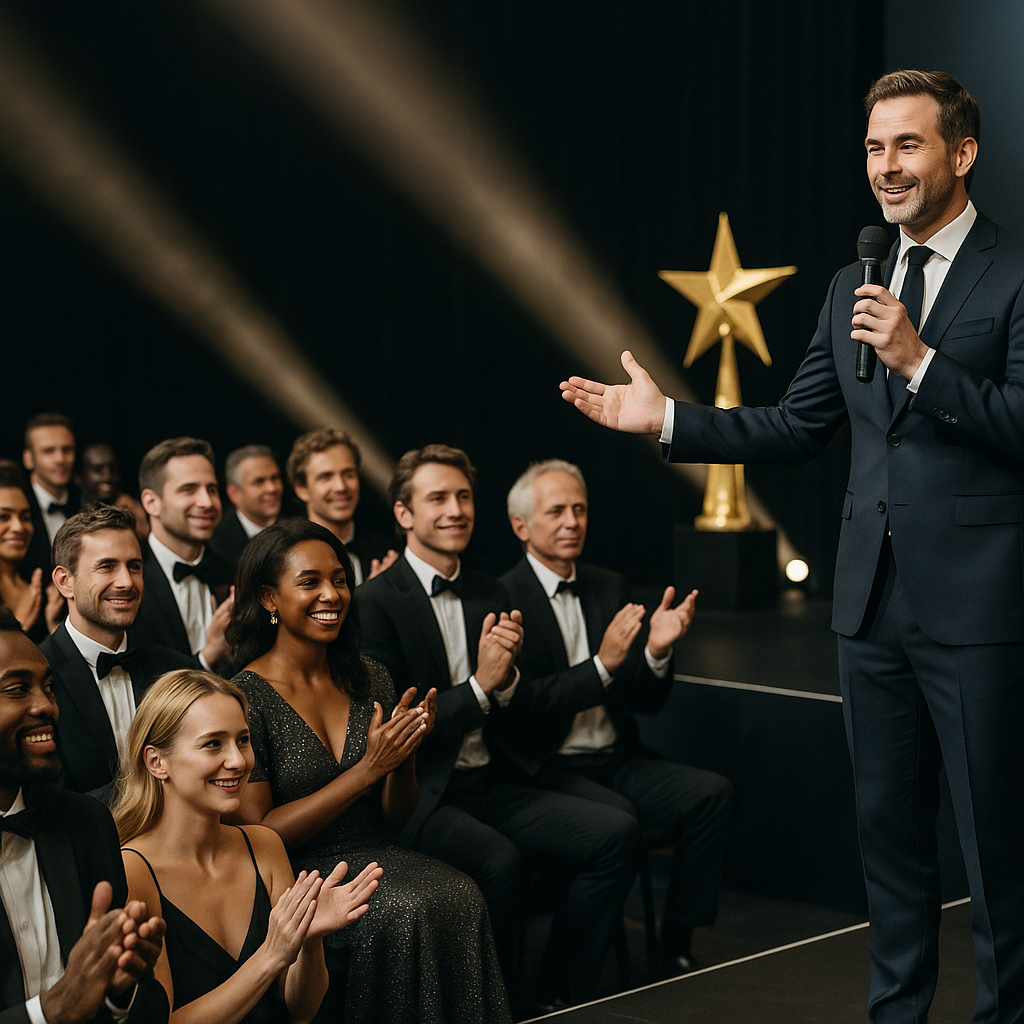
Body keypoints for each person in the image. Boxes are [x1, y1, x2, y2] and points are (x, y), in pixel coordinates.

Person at [561, 69, 1024, 1024]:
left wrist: (920, 362)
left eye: (907, 144)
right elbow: (795, 425)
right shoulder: (854, 280)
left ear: (963, 153)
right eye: (874, 148)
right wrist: (667, 420)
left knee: (998, 850)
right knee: (887, 842)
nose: (885, 166)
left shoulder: (1014, 273)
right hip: (869, 609)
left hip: (981, 610)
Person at [356, 445, 641, 1006]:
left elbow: (522, 700)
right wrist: (483, 686)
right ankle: (495, 1005)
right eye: (438, 498)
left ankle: (558, 987)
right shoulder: (375, 602)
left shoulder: (494, 590)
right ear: (404, 513)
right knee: (500, 861)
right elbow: (397, 729)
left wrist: (505, 685)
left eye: (463, 497)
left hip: (499, 778)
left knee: (616, 833)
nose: (455, 510)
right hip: (424, 793)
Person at [228, 518, 511, 1024]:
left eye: (340, 580)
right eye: (310, 582)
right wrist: (365, 770)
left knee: (463, 893)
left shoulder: (370, 676)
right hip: (298, 873)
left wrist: (402, 758)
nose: (331, 595)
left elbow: (396, 817)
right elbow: (261, 832)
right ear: (269, 598)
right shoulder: (245, 696)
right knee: (408, 909)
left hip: (377, 853)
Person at [501, 459, 734, 975]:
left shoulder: (607, 586)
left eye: (580, 510)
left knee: (711, 794)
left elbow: (643, 700)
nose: (572, 522)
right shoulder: (503, 597)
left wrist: (655, 652)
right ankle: (562, 974)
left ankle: (675, 941)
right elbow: (523, 706)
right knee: (618, 823)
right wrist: (600, 666)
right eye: (556, 511)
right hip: (547, 767)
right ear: (521, 526)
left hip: (614, 757)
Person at [113, 669, 381, 1024]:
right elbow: (163, 1021)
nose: (238, 761)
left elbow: (301, 1012)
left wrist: (308, 940)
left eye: (242, 740)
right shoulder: (132, 870)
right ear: (156, 762)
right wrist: (272, 953)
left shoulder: (263, 845)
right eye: (213, 744)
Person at [0, 606, 169, 1023]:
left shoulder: (86, 823)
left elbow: (151, 1009)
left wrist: (118, 993)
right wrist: (53, 1010)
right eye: (17, 689)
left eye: (49, 687)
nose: (46, 706)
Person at [40, 505, 194, 800]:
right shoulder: (38, 676)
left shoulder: (175, 669)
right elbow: (46, 800)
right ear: (65, 581)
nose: (126, 582)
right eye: (107, 566)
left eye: (134, 566)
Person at [129, 438, 233, 670]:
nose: (207, 502)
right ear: (151, 502)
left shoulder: (234, 572)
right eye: (188, 490)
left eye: (211, 489)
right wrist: (207, 657)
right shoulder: (128, 582)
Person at [285, 429, 397, 585]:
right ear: (302, 489)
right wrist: (371, 593)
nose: (341, 486)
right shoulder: (285, 555)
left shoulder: (388, 552)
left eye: (348, 474)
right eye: (326, 477)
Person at [0, 468, 63, 642]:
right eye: (4, 517)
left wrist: (53, 626)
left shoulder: (42, 586)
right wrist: (21, 627)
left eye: (25, 517)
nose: (19, 527)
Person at [20, 413, 79, 581]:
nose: (60, 459)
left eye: (67, 449)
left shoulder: (87, 502)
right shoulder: (15, 507)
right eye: (48, 451)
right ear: (28, 459)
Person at [210, 446, 283, 571]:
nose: (272, 488)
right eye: (259, 482)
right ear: (234, 493)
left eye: (274, 478)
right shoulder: (215, 541)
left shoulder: (295, 527)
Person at [78, 444, 149, 541]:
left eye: (113, 469)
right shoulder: (66, 511)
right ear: (78, 476)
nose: (107, 477)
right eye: (98, 470)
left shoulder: (130, 509)